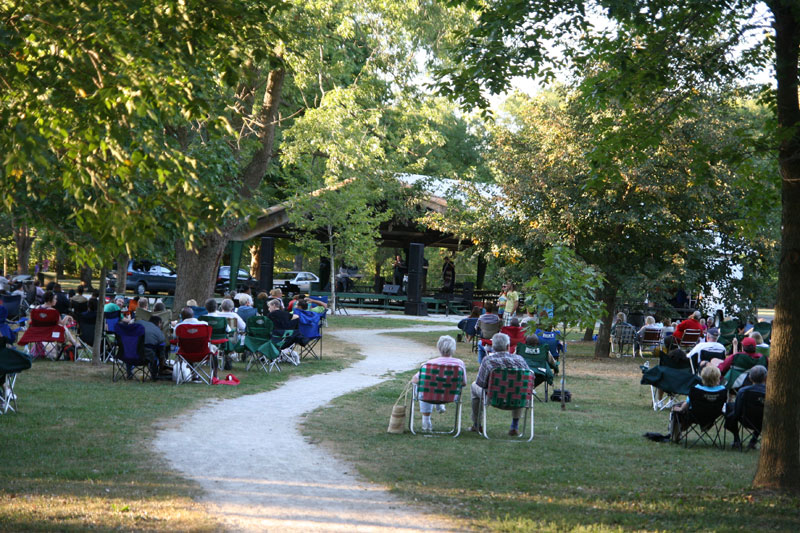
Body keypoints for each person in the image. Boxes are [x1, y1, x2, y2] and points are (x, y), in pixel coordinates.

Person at [470, 332, 531, 436]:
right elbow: (527, 381)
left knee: (473, 385)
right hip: (517, 399)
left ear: (492, 347)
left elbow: (481, 383)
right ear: (508, 346)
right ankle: (514, 426)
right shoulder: (520, 360)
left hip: (494, 398)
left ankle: (477, 424)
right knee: (519, 388)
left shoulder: (488, 360)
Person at [411, 335, 466, 431]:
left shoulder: (428, 364)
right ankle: (439, 404)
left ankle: (426, 420)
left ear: (438, 348)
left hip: (429, 396)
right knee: (435, 386)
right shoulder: (459, 364)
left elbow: (415, 380)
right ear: (453, 349)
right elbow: (463, 383)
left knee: (421, 385)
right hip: (450, 396)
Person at [669, 365, 725, 442]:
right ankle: (705, 425)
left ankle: (675, 436)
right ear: (718, 378)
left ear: (703, 378)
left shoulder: (697, 389)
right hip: (713, 416)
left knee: (676, 408)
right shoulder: (722, 390)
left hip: (695, 416)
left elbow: (687, 403)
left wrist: (680, 408)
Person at [725, 365, 767, 450]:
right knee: (760, 413)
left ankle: (737, 440)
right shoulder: (770, 392)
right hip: (763, 421)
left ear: (750, 378)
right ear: (766, 378)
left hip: (745, 419)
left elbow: (737, 412)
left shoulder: (743, 391)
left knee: (730, 409)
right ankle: (753, 441)